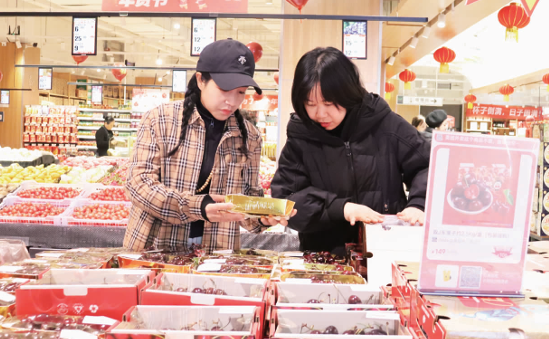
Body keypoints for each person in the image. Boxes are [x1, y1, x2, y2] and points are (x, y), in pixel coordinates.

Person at [124, 39, 293, 253]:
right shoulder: (160, 120)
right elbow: (138, 184)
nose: (232, 101)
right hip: (156, 248)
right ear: (201, 80)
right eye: (224, 89)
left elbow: (246, 200)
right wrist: (198, 207)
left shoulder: (249, 136)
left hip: (216, 253)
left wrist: (262, 218)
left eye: (241, 92)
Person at [271, 47, 430, 255]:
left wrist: (418, 204)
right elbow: (285, 199)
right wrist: (341, 208)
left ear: (347, 93)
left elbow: (428, 166)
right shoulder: (301, 137)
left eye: (329, 103)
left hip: (384, 250)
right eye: (310, 104)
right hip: (324, 258)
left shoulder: (386, 124)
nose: (320, 113)